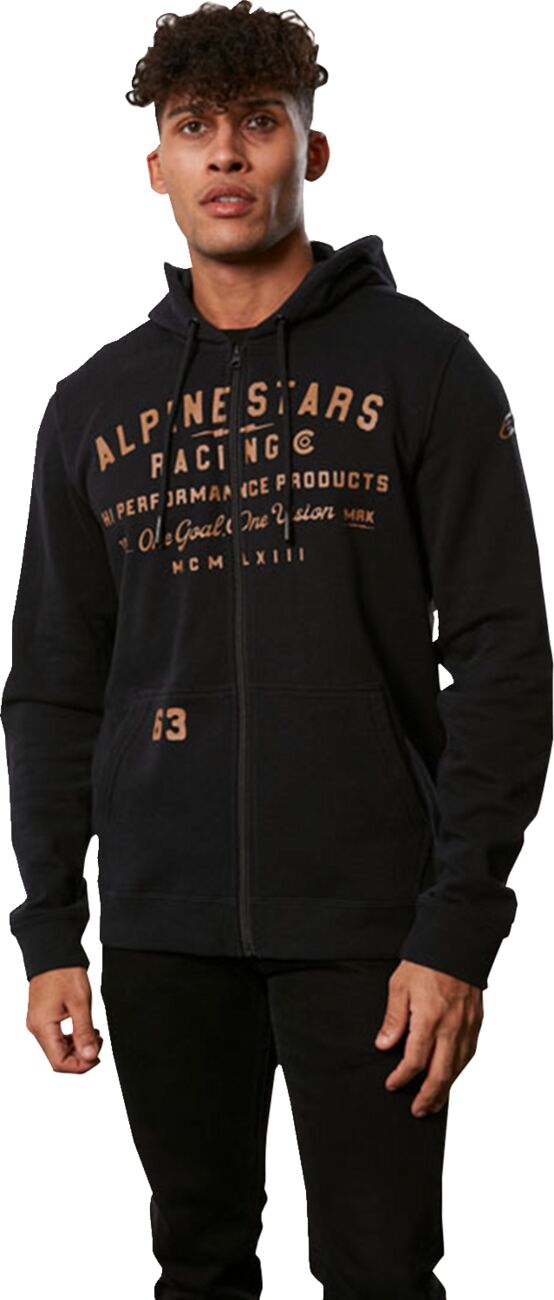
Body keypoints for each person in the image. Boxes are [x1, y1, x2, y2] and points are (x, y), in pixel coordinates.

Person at [2, 3, 552, 1297]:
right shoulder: (91, 407)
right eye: (194, 128)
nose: (227, 153)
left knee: (378, 1270)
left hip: (375, 922)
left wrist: (456, 929)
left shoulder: (427, 370)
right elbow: (54, 685)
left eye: (259, 123)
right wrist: (51, 928)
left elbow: (505, 661)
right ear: (156, 166)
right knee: (195, 1263)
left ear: (312, 150)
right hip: (160, 919)